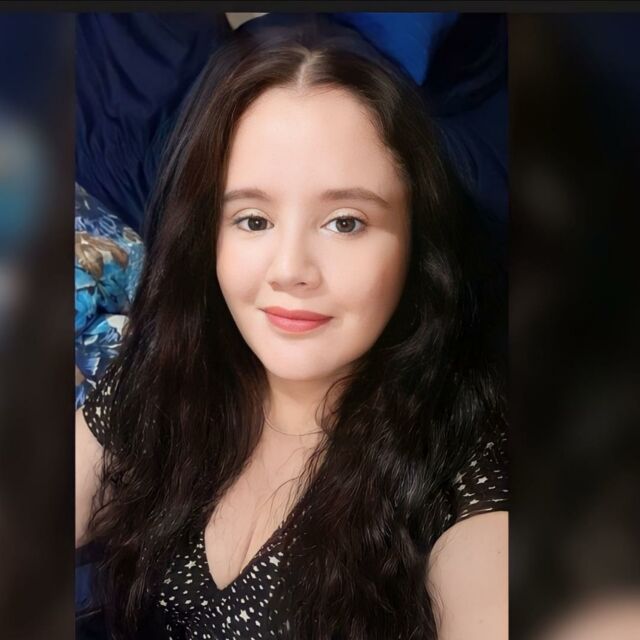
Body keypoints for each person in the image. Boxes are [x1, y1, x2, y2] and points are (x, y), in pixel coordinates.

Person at [75, 15, 508, 640]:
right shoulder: (165, 369)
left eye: (346, 222)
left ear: (416, 239)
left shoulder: (463, 460)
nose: (290, 271)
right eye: (253, 220)